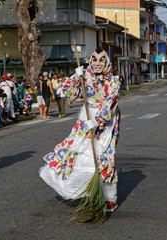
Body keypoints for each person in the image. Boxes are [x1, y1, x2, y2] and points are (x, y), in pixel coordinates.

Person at [39, 47, 121, 212]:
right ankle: (87, 190)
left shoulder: (114, 81)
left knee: (104, 158)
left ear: (107, 62)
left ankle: (109, 198)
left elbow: (112, 102)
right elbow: (71, 95)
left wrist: (98, 121)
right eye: (95, 59)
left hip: (106, 124)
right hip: (85, 120)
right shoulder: (86, 76)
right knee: (78, 155)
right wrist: (75, 78)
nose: (98, 63)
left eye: (101, 59)